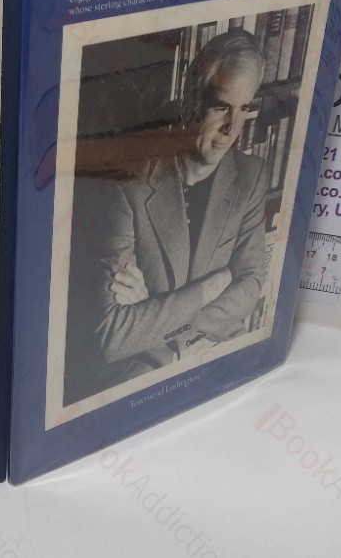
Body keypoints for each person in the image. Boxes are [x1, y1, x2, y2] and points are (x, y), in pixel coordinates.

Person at [63, 29, 268, 404]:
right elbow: (112, 335)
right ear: (193, 101)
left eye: (244, 109)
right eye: (222, 107)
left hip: (212, 350)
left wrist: (159, 313)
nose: (232, 129)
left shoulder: (250, 176)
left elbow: (251, 284)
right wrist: (206, 291)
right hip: (141, 368)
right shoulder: (128, 184)